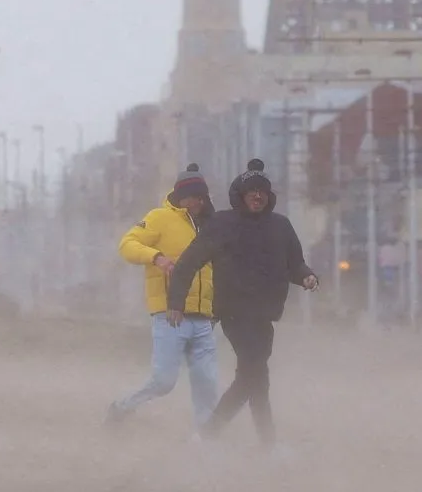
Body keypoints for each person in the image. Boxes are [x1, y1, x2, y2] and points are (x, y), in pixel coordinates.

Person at [166, 159, 317, 446]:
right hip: (234, 313)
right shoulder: (223, 224)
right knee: (254, 373)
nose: (257, 196)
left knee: (256, 378)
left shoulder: (280, 226)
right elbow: (188, 263)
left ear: (268, 196)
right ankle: (220, 435)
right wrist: (176, 302)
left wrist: (308, 277)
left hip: (265, 315)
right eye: (251, 191)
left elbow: (295, 264)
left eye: (262, 191)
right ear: (241, 195)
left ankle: (261, 444)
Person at [107, 166, 219, 429]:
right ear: (183, 196)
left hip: (204, 317)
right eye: (195, 197)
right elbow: (127, 244)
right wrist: (155, 258)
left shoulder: (211, 225)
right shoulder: (159, 218)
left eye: (203, 197)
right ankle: (122, 407)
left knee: (207, 382)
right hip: (170, 314)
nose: (200, 202)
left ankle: (206, 436)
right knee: (164, 381)